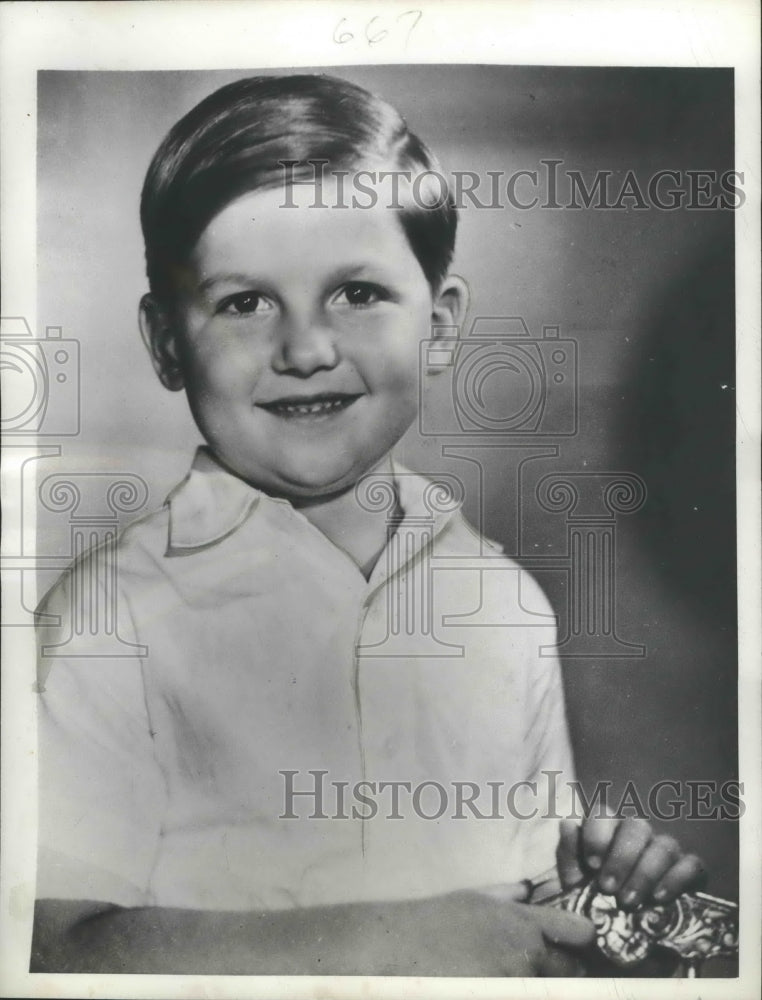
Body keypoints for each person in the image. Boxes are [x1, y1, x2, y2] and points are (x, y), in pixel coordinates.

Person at [31, 74, 705, 976]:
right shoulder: (106, 619)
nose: (306, 349)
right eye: (244, 302)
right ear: (164, 342)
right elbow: (50, 948)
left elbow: (507, 926)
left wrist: (578, 898)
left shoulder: (503, 606)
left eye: (356, 293)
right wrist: (398, 940)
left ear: (441, 322)